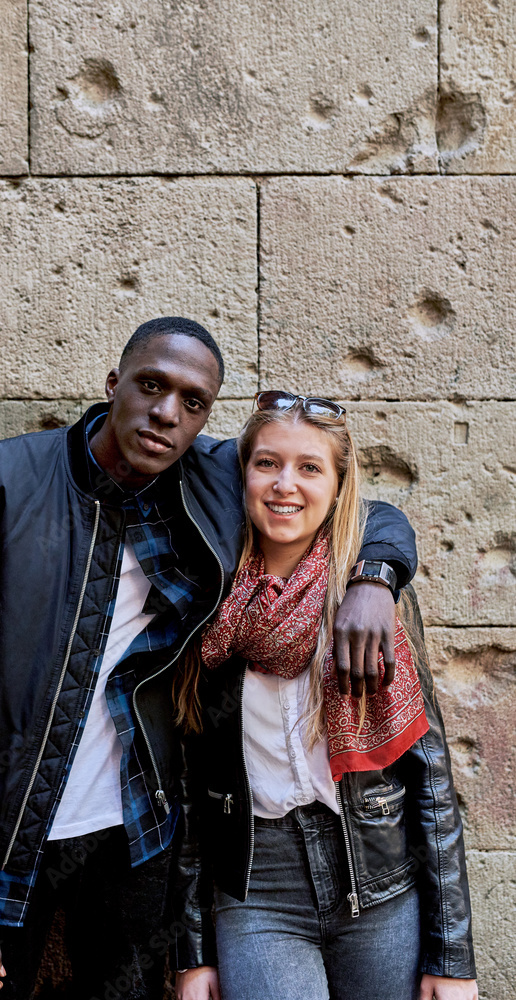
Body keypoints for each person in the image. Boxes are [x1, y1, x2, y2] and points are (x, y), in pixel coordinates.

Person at [0, 323, 418, 1000]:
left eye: (193, 401)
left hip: (139, 840)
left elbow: (356, 505)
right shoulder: (1, 479)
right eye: (151, 385)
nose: (167, 412)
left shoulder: (209, 478)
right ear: (113, 385)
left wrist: (375, 577)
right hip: (6, 834)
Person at [174, 391, 477, 1000]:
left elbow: (431, 775)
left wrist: (453, 955)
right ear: (242, 474)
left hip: (378, 880)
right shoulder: (206, 596)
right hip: (256, 887)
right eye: (267, 463)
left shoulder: (372, 599)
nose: (286, 484)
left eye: (310, 467)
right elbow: (188, 786)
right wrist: (193, 951)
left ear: (339, 486)